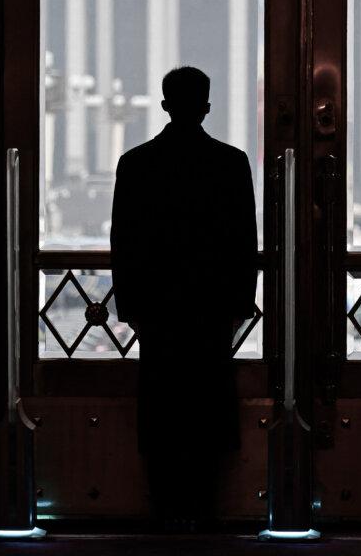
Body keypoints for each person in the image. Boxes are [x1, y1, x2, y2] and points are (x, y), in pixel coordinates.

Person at [110, 66, 259, 531]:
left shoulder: (136, 163)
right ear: (207, 106)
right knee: (208, 408)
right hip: (211, 309)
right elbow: (243, 242)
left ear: (165, 105)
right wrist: (239, 304)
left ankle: (165, 507)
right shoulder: (231, 163)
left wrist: (130, 308)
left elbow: (125, 240)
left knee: (161, 409)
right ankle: (203, 507)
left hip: (157, 310)